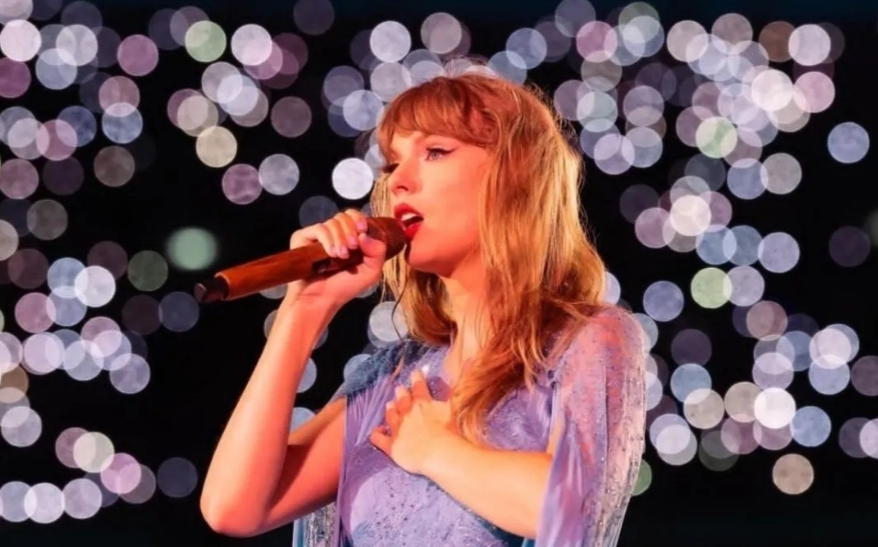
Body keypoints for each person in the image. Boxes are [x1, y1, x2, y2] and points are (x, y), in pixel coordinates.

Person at [200, 66, 647, 547]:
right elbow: (235, 508)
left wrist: (437, 450)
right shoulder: (393, 379)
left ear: (517, 178)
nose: (399, 182)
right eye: (392, 164)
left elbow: (576, 510)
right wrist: (304, 310)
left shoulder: (586, 340)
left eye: (435, 152)